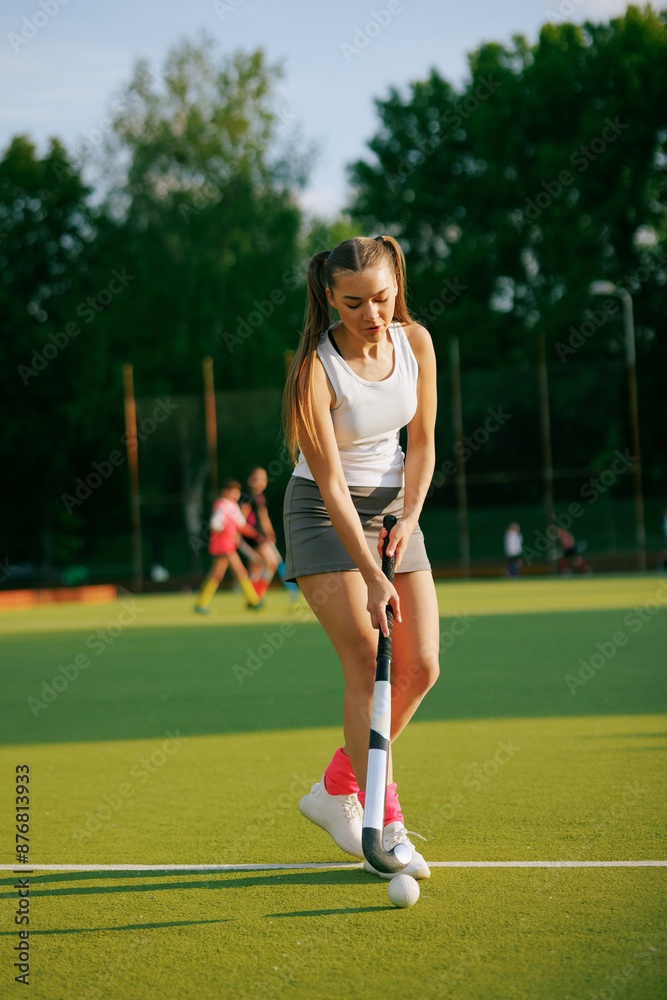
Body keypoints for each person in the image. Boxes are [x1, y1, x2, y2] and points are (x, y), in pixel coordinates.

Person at [282, 235, 440, 881]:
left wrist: (409, 514)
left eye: (381, 297)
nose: (371, 314)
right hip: (325, 515)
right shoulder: (314, 372)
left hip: (394, 507)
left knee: (421, 667)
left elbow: (423, 443)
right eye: (353, 303)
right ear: (329, 298)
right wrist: (371, 575)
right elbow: (328, 488)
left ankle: (333, 789)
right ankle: (384, 819)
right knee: (363, 665)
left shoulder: (416, 342)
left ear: (396, 285)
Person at [194, 479, 265, 613]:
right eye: (234, 491)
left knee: (216, 575)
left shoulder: (232, 505)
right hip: (224, 545)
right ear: (225, 492)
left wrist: (256, 535)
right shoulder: (222, 505)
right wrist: (228, 532)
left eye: (237, 491)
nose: (236, 494)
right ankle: (254, 601)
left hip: (227, 545)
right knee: (241, 571)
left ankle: (201, 604)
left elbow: (241, 525)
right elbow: (215, 525)